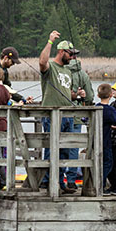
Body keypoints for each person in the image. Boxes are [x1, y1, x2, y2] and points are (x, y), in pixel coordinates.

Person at [38, 30, 82, 194]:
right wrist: (49, 41)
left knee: (65, 150)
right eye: (70, 54)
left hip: (68, 115)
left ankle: (60, 181)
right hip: (52, 115)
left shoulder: (68, 71)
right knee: (51, 149)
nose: (72, 57)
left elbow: (67, 92)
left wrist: (77, 95)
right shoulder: (51, 67)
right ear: (61, 52)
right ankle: (48, 181)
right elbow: (42, 62)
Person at [96, 83, 116, 193]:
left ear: (98, 95)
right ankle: (100, 185)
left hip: (95, 141)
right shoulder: (110, 110)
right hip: (105, 142)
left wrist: (109, 125)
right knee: (108, 163)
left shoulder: (95, 107)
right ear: (110, 95)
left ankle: (96, 184)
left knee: (97, 163)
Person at [68, 56, 94, 183]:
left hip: (59, 115)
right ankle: (72, 180)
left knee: (57, 146)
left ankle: (55, 179)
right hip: (77, 116)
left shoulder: (60, 71)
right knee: (73, 148)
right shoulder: (82, 74)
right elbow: (89, 96)